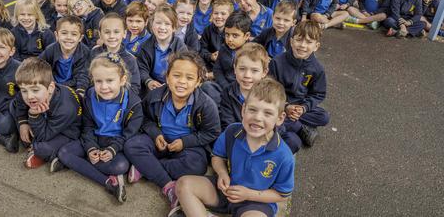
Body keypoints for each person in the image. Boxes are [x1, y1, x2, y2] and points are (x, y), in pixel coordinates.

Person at [172, 78, 294, 217]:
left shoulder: (284, 155)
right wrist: (222, 173)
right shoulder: (232, 132)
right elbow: (217, 156)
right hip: (225, 190)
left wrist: (248, 194)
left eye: (268, 113)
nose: (258, 118)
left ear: (280, 118)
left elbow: (281, 194)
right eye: (252, 110)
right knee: (183, 184)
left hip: (255, 202)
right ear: (243, 110)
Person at [124, 51, 221, 210]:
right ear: (167, 78)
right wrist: (156, 134)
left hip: (188, 147)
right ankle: (167, 185)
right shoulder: (155, 96)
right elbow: (145, 119)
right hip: (159, 143)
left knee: (197, 166)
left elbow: (212, 132)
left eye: (189, 78)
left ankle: (146, 167)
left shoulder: (206, 105)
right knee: (132, 145)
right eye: (177, 75)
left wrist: (185, 142)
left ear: (198, 82)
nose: (182, 82)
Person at [57, 53, 143, 202]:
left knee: (120, 166)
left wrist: (112, 149)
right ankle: (109, 182)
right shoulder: (90, 95)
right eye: (98, 81)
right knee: (64, 152)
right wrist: (90, 147)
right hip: (95, 139)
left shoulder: (133, 103)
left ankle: (81, 164)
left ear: (122, 80)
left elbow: (130, 134)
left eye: (110, 80)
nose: (104, 87)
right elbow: (87, 126)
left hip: (117, 144)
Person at [11, 57, 83, 170]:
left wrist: (33, 115)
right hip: (46, 122)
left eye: (35, 90)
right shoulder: (28, 88)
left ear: (50, 87)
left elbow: (43, 136)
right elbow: (19, 102)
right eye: (24, 90)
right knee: (12, 106)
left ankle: (53, 156)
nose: (29, 96)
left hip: (66, 131)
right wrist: (23, 122)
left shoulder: (66, 109)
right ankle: (34, 145)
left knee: (42, 148)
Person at [270, 21, 329, 153]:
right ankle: (300, 128)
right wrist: (285, 106)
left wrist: (303, 108)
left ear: (316, 46)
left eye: (309, 42)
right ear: (291, 41)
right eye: (299, 40)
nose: (302, 45)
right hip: (279, 105)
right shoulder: (277, 62)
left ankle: (292, 123)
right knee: (292, 139)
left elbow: (318, 94)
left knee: (323, 116)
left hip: (300, 106)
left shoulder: (317, 69)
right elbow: (270, 91)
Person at [39, 15, 91, 96]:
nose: (68, 37)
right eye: (64, 33)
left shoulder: (84, 52)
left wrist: (80, 91)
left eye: (74, 34)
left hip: (73, 87)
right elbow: (39, 64)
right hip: (53, 86)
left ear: (80, 38)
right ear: (56, 35)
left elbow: (83, 76)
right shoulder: (51, 49)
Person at [213, 11, 253, 89]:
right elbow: (217, 70)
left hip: (243, 88)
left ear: (247, 36)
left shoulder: (252, 52)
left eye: (235, 35)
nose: (230, 39)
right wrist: (225, 86)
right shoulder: (223, 49)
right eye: (227, 34)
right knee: (207, 86)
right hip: (224, 86)